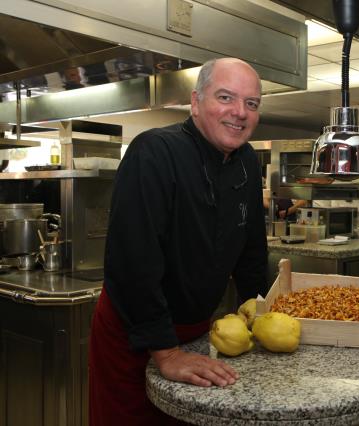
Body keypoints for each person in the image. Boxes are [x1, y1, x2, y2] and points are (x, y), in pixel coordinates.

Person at [89, 58, 268, 425]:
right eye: (225, 97)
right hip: (134, 331)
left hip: (196, 331)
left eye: (251, 103)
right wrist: (167, 352)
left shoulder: (247, 161)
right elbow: (131, 262)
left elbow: (251, 251)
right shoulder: (153, 151)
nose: (239, 113)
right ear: (196, 101)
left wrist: (259, 320)